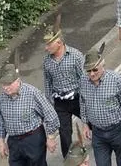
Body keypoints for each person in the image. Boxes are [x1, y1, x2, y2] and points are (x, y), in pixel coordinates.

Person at [79, 46, 121, 166]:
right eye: (88, 71)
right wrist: (85, 123)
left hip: (118, 131)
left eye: (95, 70)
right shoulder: (83, 81)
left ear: (102, 65)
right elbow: (83, 102)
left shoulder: (116, 80)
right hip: (98, 134)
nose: (92, 74)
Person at [0, 60, 61, 166]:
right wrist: (1, 141)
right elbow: (1, 121)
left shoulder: (33, 93)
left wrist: (50, 138)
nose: (5, 87)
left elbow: (51, 116)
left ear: (17, 81)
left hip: (33, 139)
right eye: (3, 84)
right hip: (14, 142)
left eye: (8, 84)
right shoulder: (1, 98)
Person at [41, 16, 84, 159]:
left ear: (58, 42)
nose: (46, 47)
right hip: (60, 103)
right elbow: (48, 83)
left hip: (77, 98)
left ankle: (99, 142)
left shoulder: (76, 56)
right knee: (65, 134)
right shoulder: (47, 62)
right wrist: (49, 103)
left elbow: (84, 79)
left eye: (48, 44)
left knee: (92, 122)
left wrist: (87, 99)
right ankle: (68, 159)